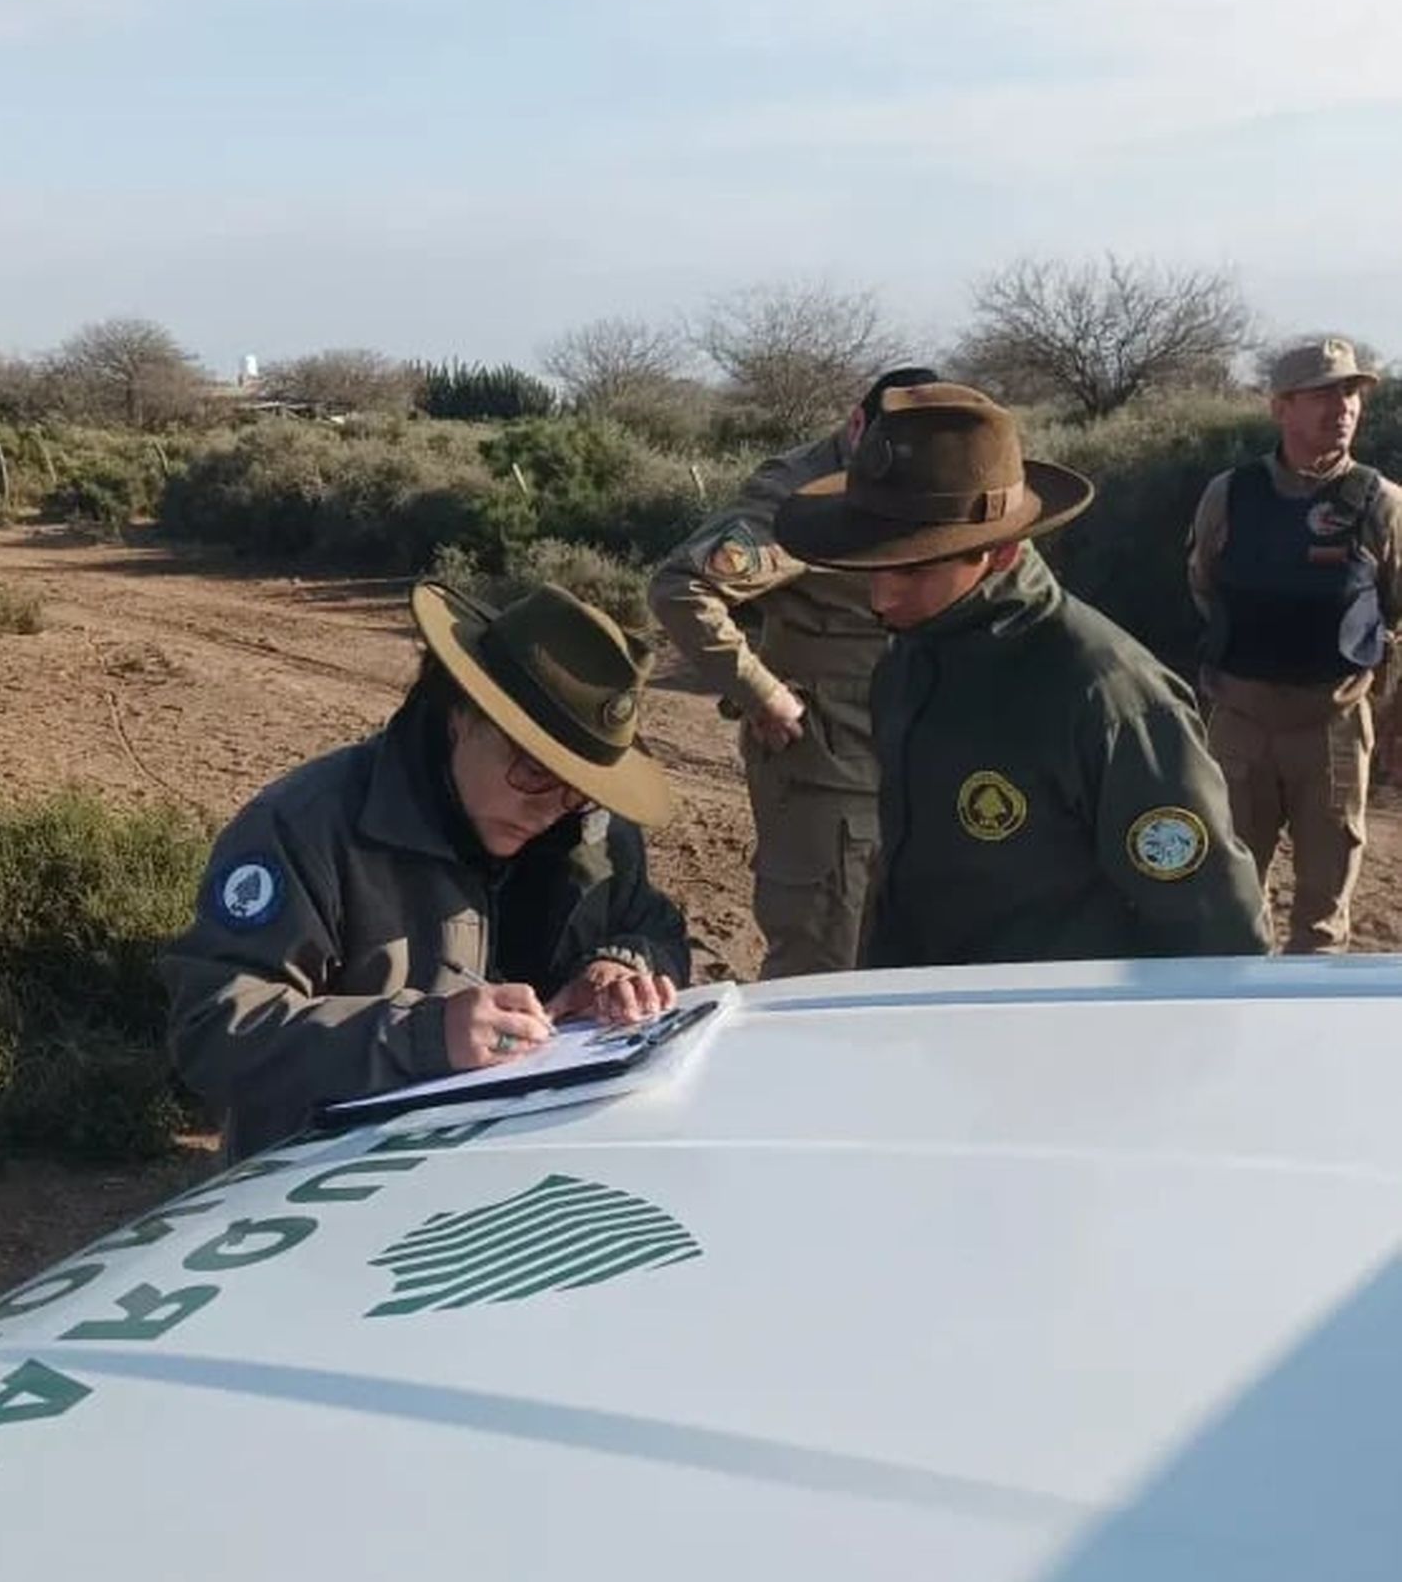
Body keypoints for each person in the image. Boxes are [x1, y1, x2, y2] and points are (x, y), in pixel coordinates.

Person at [162, 581, 691, 1160]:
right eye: (535, 771)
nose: (550, 808)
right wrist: (424, 1037)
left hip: (527, 1168)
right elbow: (213, 1030)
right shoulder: (305, 828)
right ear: (461, 712)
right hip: (331, 1190)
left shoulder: (594, 829)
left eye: (580, 789)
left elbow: (653, 924)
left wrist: (621, 964)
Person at [773, 380, 1271, 967]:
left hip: (1058, 1034)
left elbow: (1213, 924)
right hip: (927, 1026)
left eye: (912, 571)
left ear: (1000, 553)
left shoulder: (1109, 698)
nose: (881, 597)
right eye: (874, 566)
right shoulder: (912, 659)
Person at [649, 365, 938, 978]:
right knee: (825, 969)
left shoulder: (928, 478)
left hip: (914, 766)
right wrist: (762, 694)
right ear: (858, 424)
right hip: (830, 775)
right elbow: (683, 587)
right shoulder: (802, 496)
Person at [1189, 337, 1402, 952]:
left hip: (1331, 727)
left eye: (1351, 392)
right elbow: (1204, 584)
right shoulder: (1229, 494)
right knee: (1226, 905)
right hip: (1240, 724)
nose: (1343, 407)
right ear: (1280, 407)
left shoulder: (1380, 503)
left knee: (1323, 919)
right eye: (1322, 394)